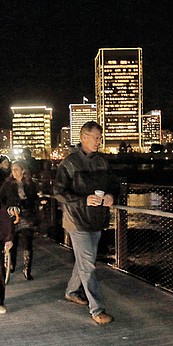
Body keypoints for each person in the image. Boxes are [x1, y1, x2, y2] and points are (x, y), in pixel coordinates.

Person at [52, 121, 119, 325]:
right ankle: (97, 310)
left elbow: (114, 185)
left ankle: (72, 291)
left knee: (84, 262)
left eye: (100, 137)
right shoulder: (69, 162)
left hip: (96, 220)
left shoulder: (102, 162)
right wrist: (83, 200)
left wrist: (111, 196)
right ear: (84, 137)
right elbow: (58, 192)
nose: (100, 141)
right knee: (88, 264)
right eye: (96, 137)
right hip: (76, 221)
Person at [0, 160, 39, 280]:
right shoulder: (8, 183)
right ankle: (10, 265)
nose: (14, 172)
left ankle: (27, 268)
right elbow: (0, 198)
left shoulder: (30, 183)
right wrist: (6, 209)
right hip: (12, 216)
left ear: (23, 170)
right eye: (12, 170)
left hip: (27, 215)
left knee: (27, 241)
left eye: (16, 169)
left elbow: (34, 198)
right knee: (12, 240)